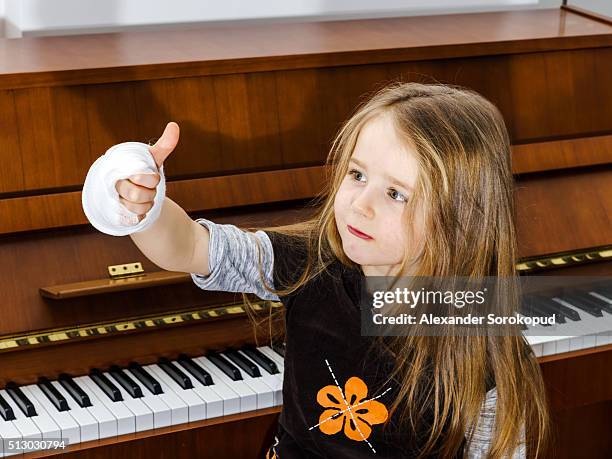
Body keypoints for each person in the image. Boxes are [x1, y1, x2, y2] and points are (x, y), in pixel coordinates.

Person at [82, 82, 549, 458]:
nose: (359, 206)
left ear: (460, 217)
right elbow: (189, 247)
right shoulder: (311, 265)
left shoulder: (485, 354)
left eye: (396, 194)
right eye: (357, 174)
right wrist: (142, 204)